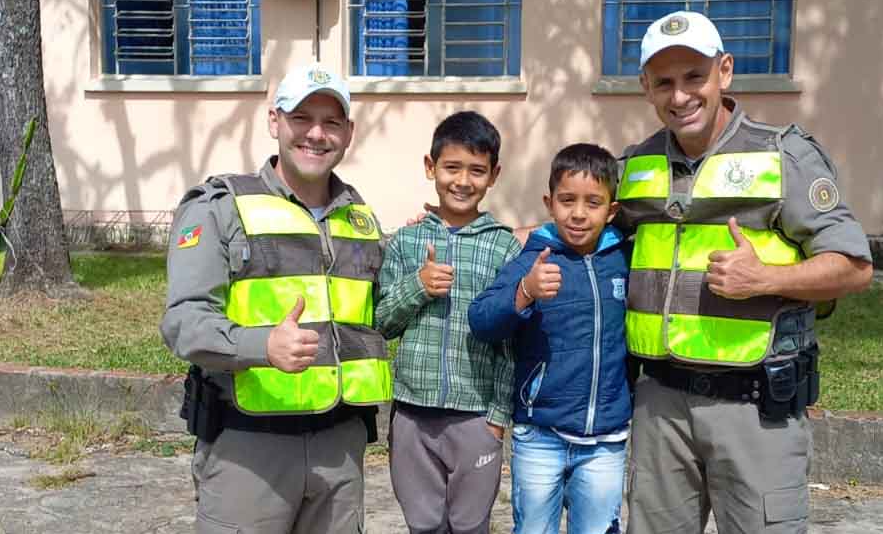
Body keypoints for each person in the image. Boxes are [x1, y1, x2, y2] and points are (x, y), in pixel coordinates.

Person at [618, 11, 874, 534]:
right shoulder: (635, 166)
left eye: (694, 76)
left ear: (725, 72)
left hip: (753, 409)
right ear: (645, 87)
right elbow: (580, 227)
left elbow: (854, 267)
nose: (680, 96)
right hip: (659, 407)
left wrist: (766, 279)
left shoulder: (784, 156)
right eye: (663, 82)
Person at [160, 66, 391, 534]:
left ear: (348, 132)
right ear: (274, 121)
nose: (316, 134)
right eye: (301, 117)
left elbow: (377, 317)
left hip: (339, 452)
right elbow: (184, 321)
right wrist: (262, 346)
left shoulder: (361, 219)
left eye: (331, 122)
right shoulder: (220, 207)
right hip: (249, 450)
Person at [469, 143, 632, 534]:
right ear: (549, 203)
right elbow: (482, 320)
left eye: (593, 203)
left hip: (606, 439)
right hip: (540, 434)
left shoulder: (624, 259)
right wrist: (525, 291)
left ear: (611, 211)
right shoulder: (534, 258)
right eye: (567, 200)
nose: (578, 213)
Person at [375, 110, 522, 534]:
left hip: (476, 417)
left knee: (471, 524)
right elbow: (381, 323)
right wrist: (418, 286)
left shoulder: (503, 248)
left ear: (494, 175)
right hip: (412, 415)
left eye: (476, 170)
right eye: (452, 167)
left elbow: (511, 341)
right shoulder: (406, 241)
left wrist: (498, 416)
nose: (462, 181)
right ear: (431, 167)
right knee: (423, 524)